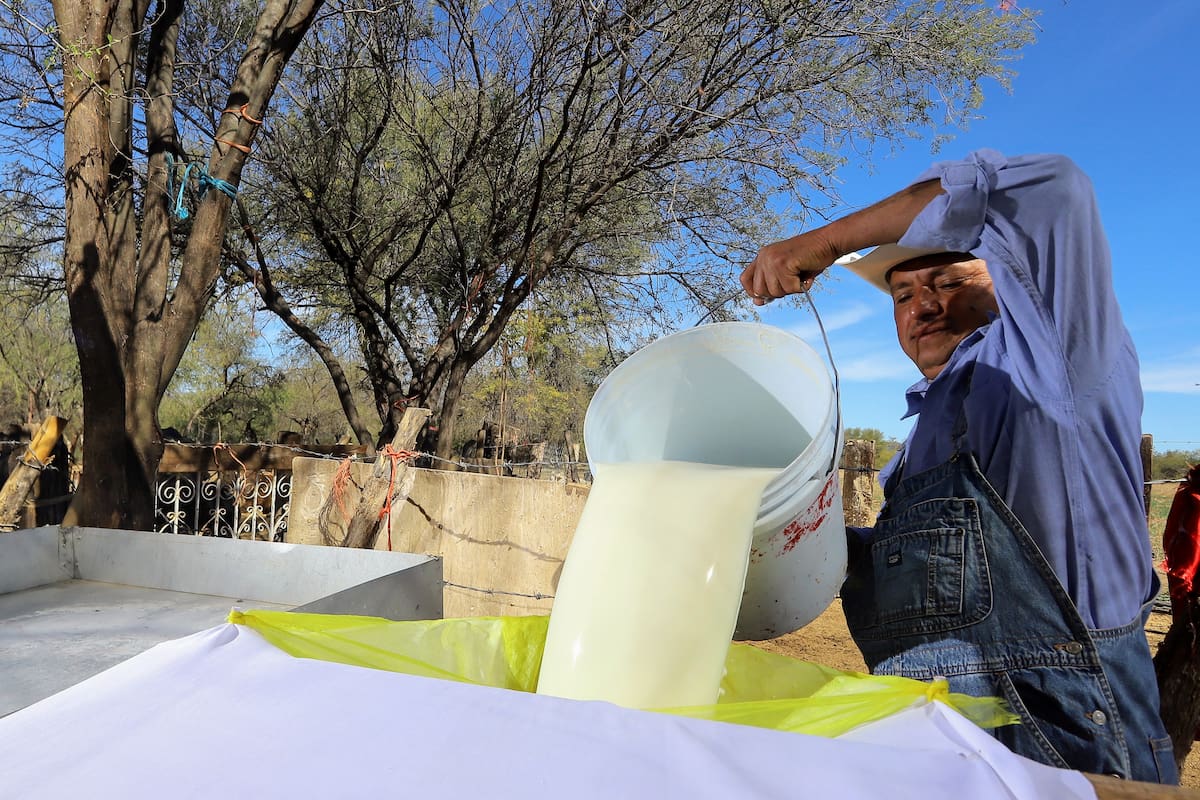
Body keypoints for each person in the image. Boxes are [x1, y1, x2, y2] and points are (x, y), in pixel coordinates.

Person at [740, 150, 1177, 783]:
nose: (923, 308)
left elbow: (1052, 190)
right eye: (903, 294)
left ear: (1010, 284)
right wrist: (791, 543)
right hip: (939, 747)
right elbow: (942, 583)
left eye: (949, 282)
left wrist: (823, 243)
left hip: (1064, 739)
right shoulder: (919, 443)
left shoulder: (1055, 365)